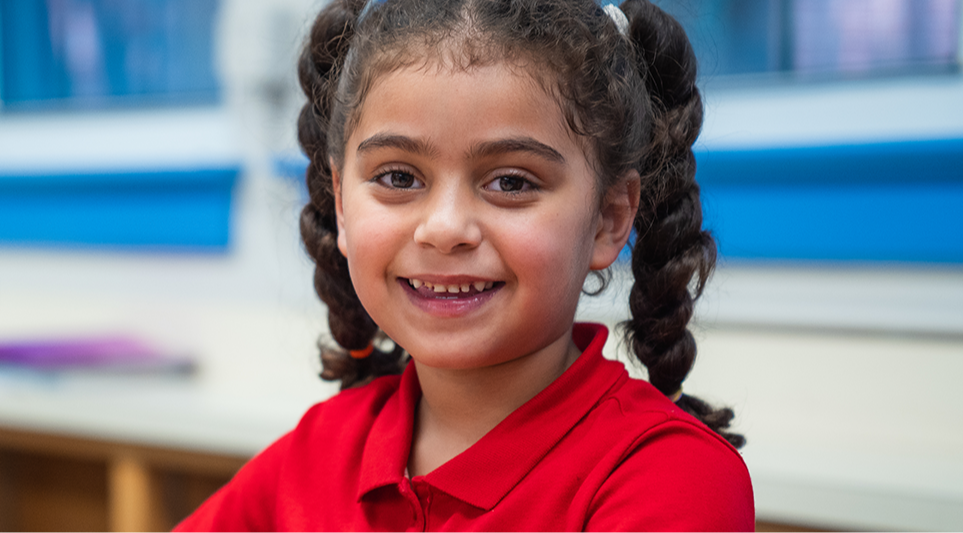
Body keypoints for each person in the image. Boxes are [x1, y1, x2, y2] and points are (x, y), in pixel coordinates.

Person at [177, 0, 752, 530]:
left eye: (511, 182)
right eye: (398, 178)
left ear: (608, 217)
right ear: (342, 204)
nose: (446, 227)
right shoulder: (314, 455)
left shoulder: (671, 477)